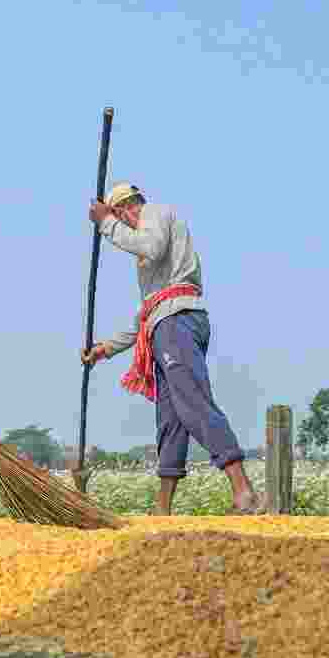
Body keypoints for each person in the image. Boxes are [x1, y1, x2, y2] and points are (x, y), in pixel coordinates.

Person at [81, 182, 266, 515]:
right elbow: (146, 315)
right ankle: (163, 508)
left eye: (118, 219)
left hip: (176, 324)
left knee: (193, 402)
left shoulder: (155, 215)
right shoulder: (152, 266)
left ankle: (244, 492)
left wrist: (105, 224)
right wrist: (106, 348)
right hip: (164, 325)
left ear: (124, 209)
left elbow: (150, 248)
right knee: (171, 419)